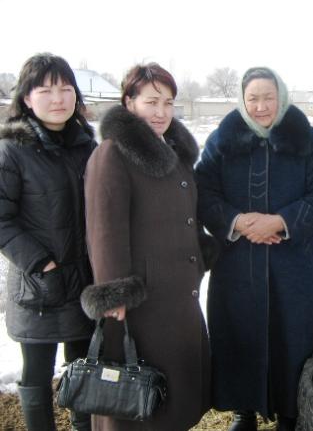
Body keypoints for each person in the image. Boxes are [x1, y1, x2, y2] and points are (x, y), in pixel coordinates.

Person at [195, 67, 313, 431]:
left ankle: (290, 412)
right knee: (239, 333)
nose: (261, 106)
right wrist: (238, 221)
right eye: (253, 99)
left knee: (293, 337)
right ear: (242, 101)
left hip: (293, 265)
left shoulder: (308, 140)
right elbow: (203, 191)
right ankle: (244, 410)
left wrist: (279, 221)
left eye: (268, 97)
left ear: (282, 97)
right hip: (237, 263)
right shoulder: (221, 140)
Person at [79, 63, 212, 431]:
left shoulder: (173, 152)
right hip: (141, 302)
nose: (161, 112)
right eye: (151, 102)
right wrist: (115, 291)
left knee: (174, 396)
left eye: (168, 103)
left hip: (177, 295)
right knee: (138, 401)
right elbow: (104, 228)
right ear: (129, 102)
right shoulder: (113, 153)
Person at [0, 53, 96, 431]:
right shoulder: (12, 150)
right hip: (39, 285)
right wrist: (42, 264)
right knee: (37, 375)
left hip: (85, 283)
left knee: (84, 371)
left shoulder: (87, 145)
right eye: (46, 90)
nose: (58, 98)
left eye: (66, 89)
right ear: (27, 98)